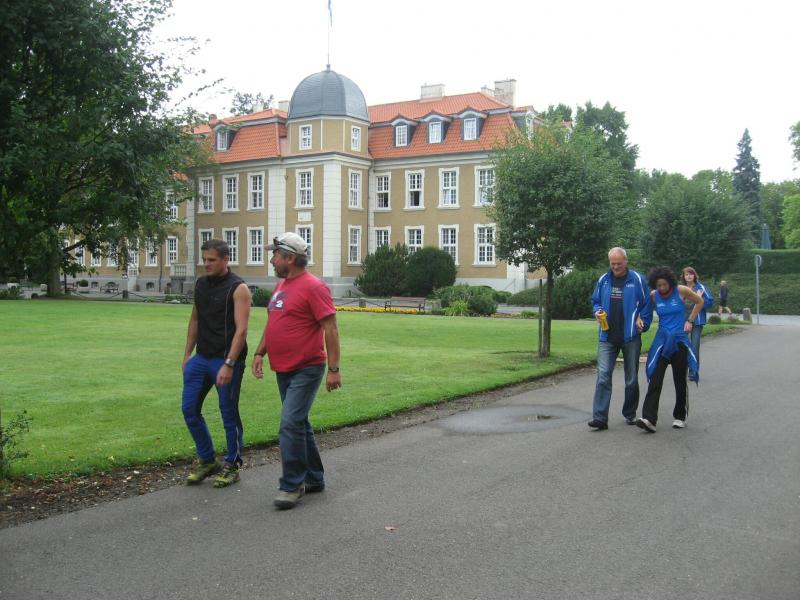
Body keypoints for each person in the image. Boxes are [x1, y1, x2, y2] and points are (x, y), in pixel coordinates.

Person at [252, 232, 342, 510]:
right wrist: (259, 352)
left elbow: (331, 328)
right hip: (283, 367)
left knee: (290, 423)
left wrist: (334, 369)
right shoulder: (281, 286)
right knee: (299, 423)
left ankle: (292, 484)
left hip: (307, 367)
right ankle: (314, 478)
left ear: (290, 258)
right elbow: (273, 323)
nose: (271, 260)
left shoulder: (314, 287)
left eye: (275, 255)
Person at [181, 239, 252, 487]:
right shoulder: (201, 284)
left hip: (226, 360)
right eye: (204, 260)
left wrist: (229, 364)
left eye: (211, 260)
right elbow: (195, 320)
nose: (207, 264)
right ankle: (208, 459)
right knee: (189, 409)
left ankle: (232, 464)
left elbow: (242, 330)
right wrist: (187, 355)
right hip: (201, 358)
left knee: (228, 413)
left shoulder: (238, 288)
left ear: (225, 259)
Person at [588, 247, 652, 430]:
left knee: (631, 379)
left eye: (618, 263)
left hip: (630, 336)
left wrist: (643, 322)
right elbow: (595, 301)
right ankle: (600, 418)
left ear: (626, 261)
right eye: (612, 263)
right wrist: (597, 311)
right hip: (607, 336)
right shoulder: (604, 280)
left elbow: (647, 304)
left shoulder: (638, 279)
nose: (615, 267)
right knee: (603, 376)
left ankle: (630, 413)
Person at [636, 266, 703, 433]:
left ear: (670, 282)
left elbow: (699, 302)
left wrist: (690, 320)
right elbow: (643, 308)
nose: (662, 288)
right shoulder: (654, 295)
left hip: (679, 340)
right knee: (655, 377)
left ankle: (680, 416)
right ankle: (649, 419)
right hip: (662, 341)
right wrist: (638, 318)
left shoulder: (681, 290)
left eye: (664, 285)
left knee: (680, 380)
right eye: (658, 285)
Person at [680, 267, 714, 380]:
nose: (689, 276)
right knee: (681, 347)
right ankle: (681, 370)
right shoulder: (681, 288)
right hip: (683, 321)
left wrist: (699, 299)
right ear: (683, 276)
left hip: (697, 321)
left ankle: (693, 372)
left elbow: (710, 302)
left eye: (691, 274)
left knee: (694, 347)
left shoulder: (701, 288)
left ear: (694, 275)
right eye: (686, 274)